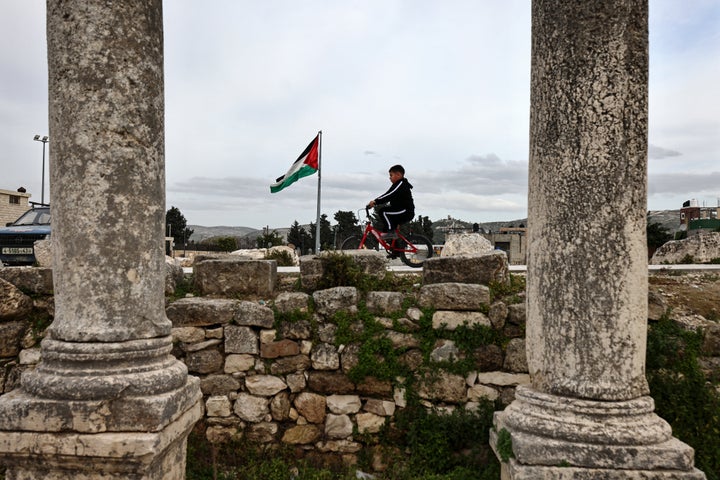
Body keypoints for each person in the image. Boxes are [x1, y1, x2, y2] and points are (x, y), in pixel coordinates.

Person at [367, 164, 415, 239]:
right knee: (388, 230)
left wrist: (375, 202)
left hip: (405, 211)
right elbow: (387, 194)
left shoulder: (401, 184)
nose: (389, 178)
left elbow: (389, 195)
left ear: (398, 175)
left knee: (383, 212)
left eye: (391, 175)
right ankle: (396, 249)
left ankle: (391, 233)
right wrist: (376, 201)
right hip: (400, 210)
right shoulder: (396, 185)